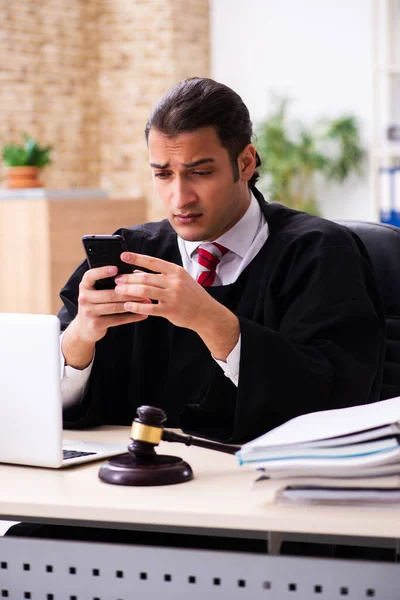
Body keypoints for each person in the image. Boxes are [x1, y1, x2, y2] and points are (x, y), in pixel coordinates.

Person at [59, 77, 385, 444]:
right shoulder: (129, 254)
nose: (179, 198)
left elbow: (340, 403)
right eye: (163, 174)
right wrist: (80, 340)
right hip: (127, 487)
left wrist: (208, 319)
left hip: (262, 486)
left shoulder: (321, 253)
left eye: (199, 172)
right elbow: (40, 406)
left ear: (245, 163)